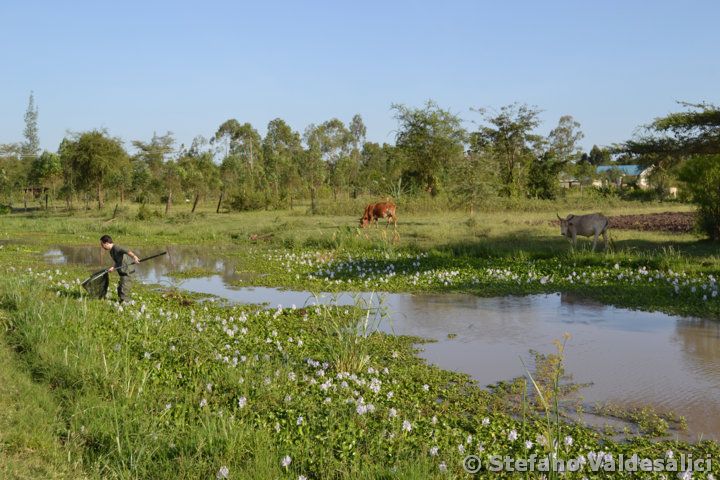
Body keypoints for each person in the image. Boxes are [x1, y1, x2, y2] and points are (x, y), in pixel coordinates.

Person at [100, 235, 140, 303]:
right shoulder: (111, 251)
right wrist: (113, 267)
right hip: (122, 273)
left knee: (123, 292)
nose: (102, 246)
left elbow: (126, 251)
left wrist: (134, 257)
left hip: (128, 273)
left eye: (102, 244)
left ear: (106, 243)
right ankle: (121, 303)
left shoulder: (116, 247)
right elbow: (118, 262)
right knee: (119, 289)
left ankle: (128, 305)